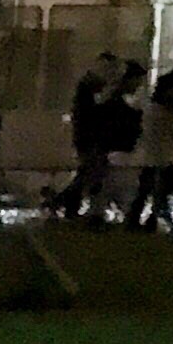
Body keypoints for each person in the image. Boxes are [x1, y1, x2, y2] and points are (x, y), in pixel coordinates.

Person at [49, 56, 115, 224]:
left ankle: (65, 204)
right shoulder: (90, 90)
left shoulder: (86, 88)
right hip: (89, 138)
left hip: (86, 137)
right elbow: (90, 114)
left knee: (87, 173)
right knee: (88, 173)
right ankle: (62, 202)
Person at [126, 66, 173, 233]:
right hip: (159, 158)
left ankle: (143, 221)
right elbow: (162, 137)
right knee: (156, 191)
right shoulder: (160, 112)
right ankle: (151, 221)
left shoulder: (154, 109)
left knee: (147, 191)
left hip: (155, 157)